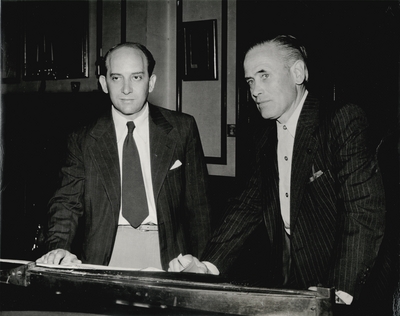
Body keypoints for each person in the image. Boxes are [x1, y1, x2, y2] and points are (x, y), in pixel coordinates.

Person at [169, 35, 387, 306]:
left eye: (264, 75)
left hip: (347, 286)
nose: (255, 90)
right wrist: (207, 266)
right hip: (292, 283)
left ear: (297, 72)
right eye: (250, 81)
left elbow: (363, 213)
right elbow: (246, 208)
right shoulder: (264, 138)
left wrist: (337, 293)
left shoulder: (341, 120)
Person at [37, 42, 211, 270]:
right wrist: (58, 247)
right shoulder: (82, 138)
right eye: (117, 78)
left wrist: (204, 267)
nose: (126, 89)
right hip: (104, 255)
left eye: (137, 77)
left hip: (170, 257)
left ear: (151, 82)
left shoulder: (182, 129)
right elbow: (66, 204)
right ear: (104, 83)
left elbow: (199, 208)